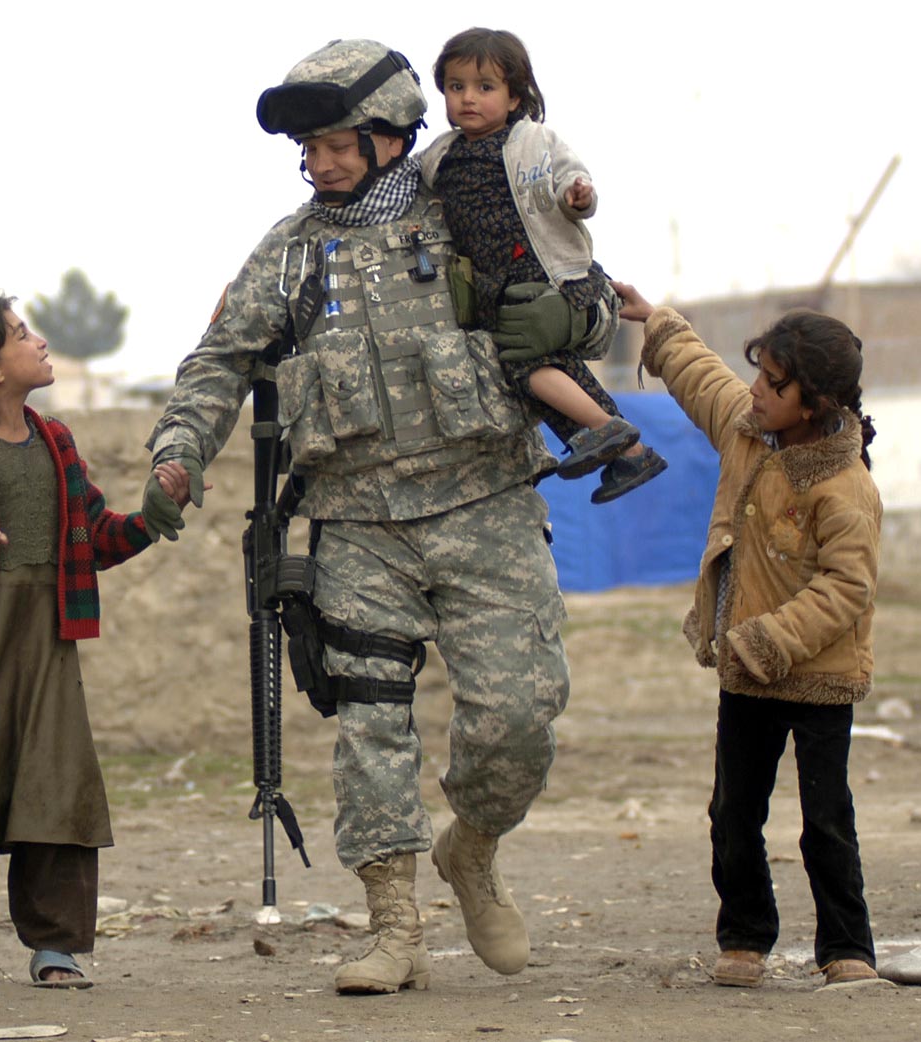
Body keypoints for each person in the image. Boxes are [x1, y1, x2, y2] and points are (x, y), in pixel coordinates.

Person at [142, 39, 570, 995]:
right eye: (309, 149)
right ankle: (393, 927)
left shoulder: (468, 211)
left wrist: (584, 324)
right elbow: (217, 361)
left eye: (337, 143)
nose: (320, 163)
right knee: (372, 727)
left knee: (519, 716)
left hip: (487, 505)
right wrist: (176, 455)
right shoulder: (291, 250)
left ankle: (474, 847)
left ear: (391, 135)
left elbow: (571, 281)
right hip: (357, 523)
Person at [616, 281, 883, 990]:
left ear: (815, 404)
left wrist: (765, 640)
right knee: (734, 813)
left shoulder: (846, 486)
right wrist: (659, 324)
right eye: (760, 377)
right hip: (746, 675)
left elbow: (848, 588)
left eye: (774, 384)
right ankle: (744, 937)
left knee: (826, 820)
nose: (757, 392)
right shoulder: (746, 429)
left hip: (819, 674)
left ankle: (847, 950)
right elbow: (703, 377)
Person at [0, 294, 191, 988]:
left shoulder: (55, 440)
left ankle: (56, 945)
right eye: (21, 335)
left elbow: (95, 537)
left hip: (49, 637)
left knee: (57, 778)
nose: (40, 343)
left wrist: (156, 515)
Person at [417, 27, 667, 504]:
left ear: (514, 97)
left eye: (485, 87)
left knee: (527, 366)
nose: (468, 98)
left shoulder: (533, 140)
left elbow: (573, 179)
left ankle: (603, 430)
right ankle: (630, 451)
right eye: (456, 87)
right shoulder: (441, 155)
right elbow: (414, 193)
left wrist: (578, 195)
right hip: (495, 289)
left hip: (545, 276)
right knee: (553, 373)